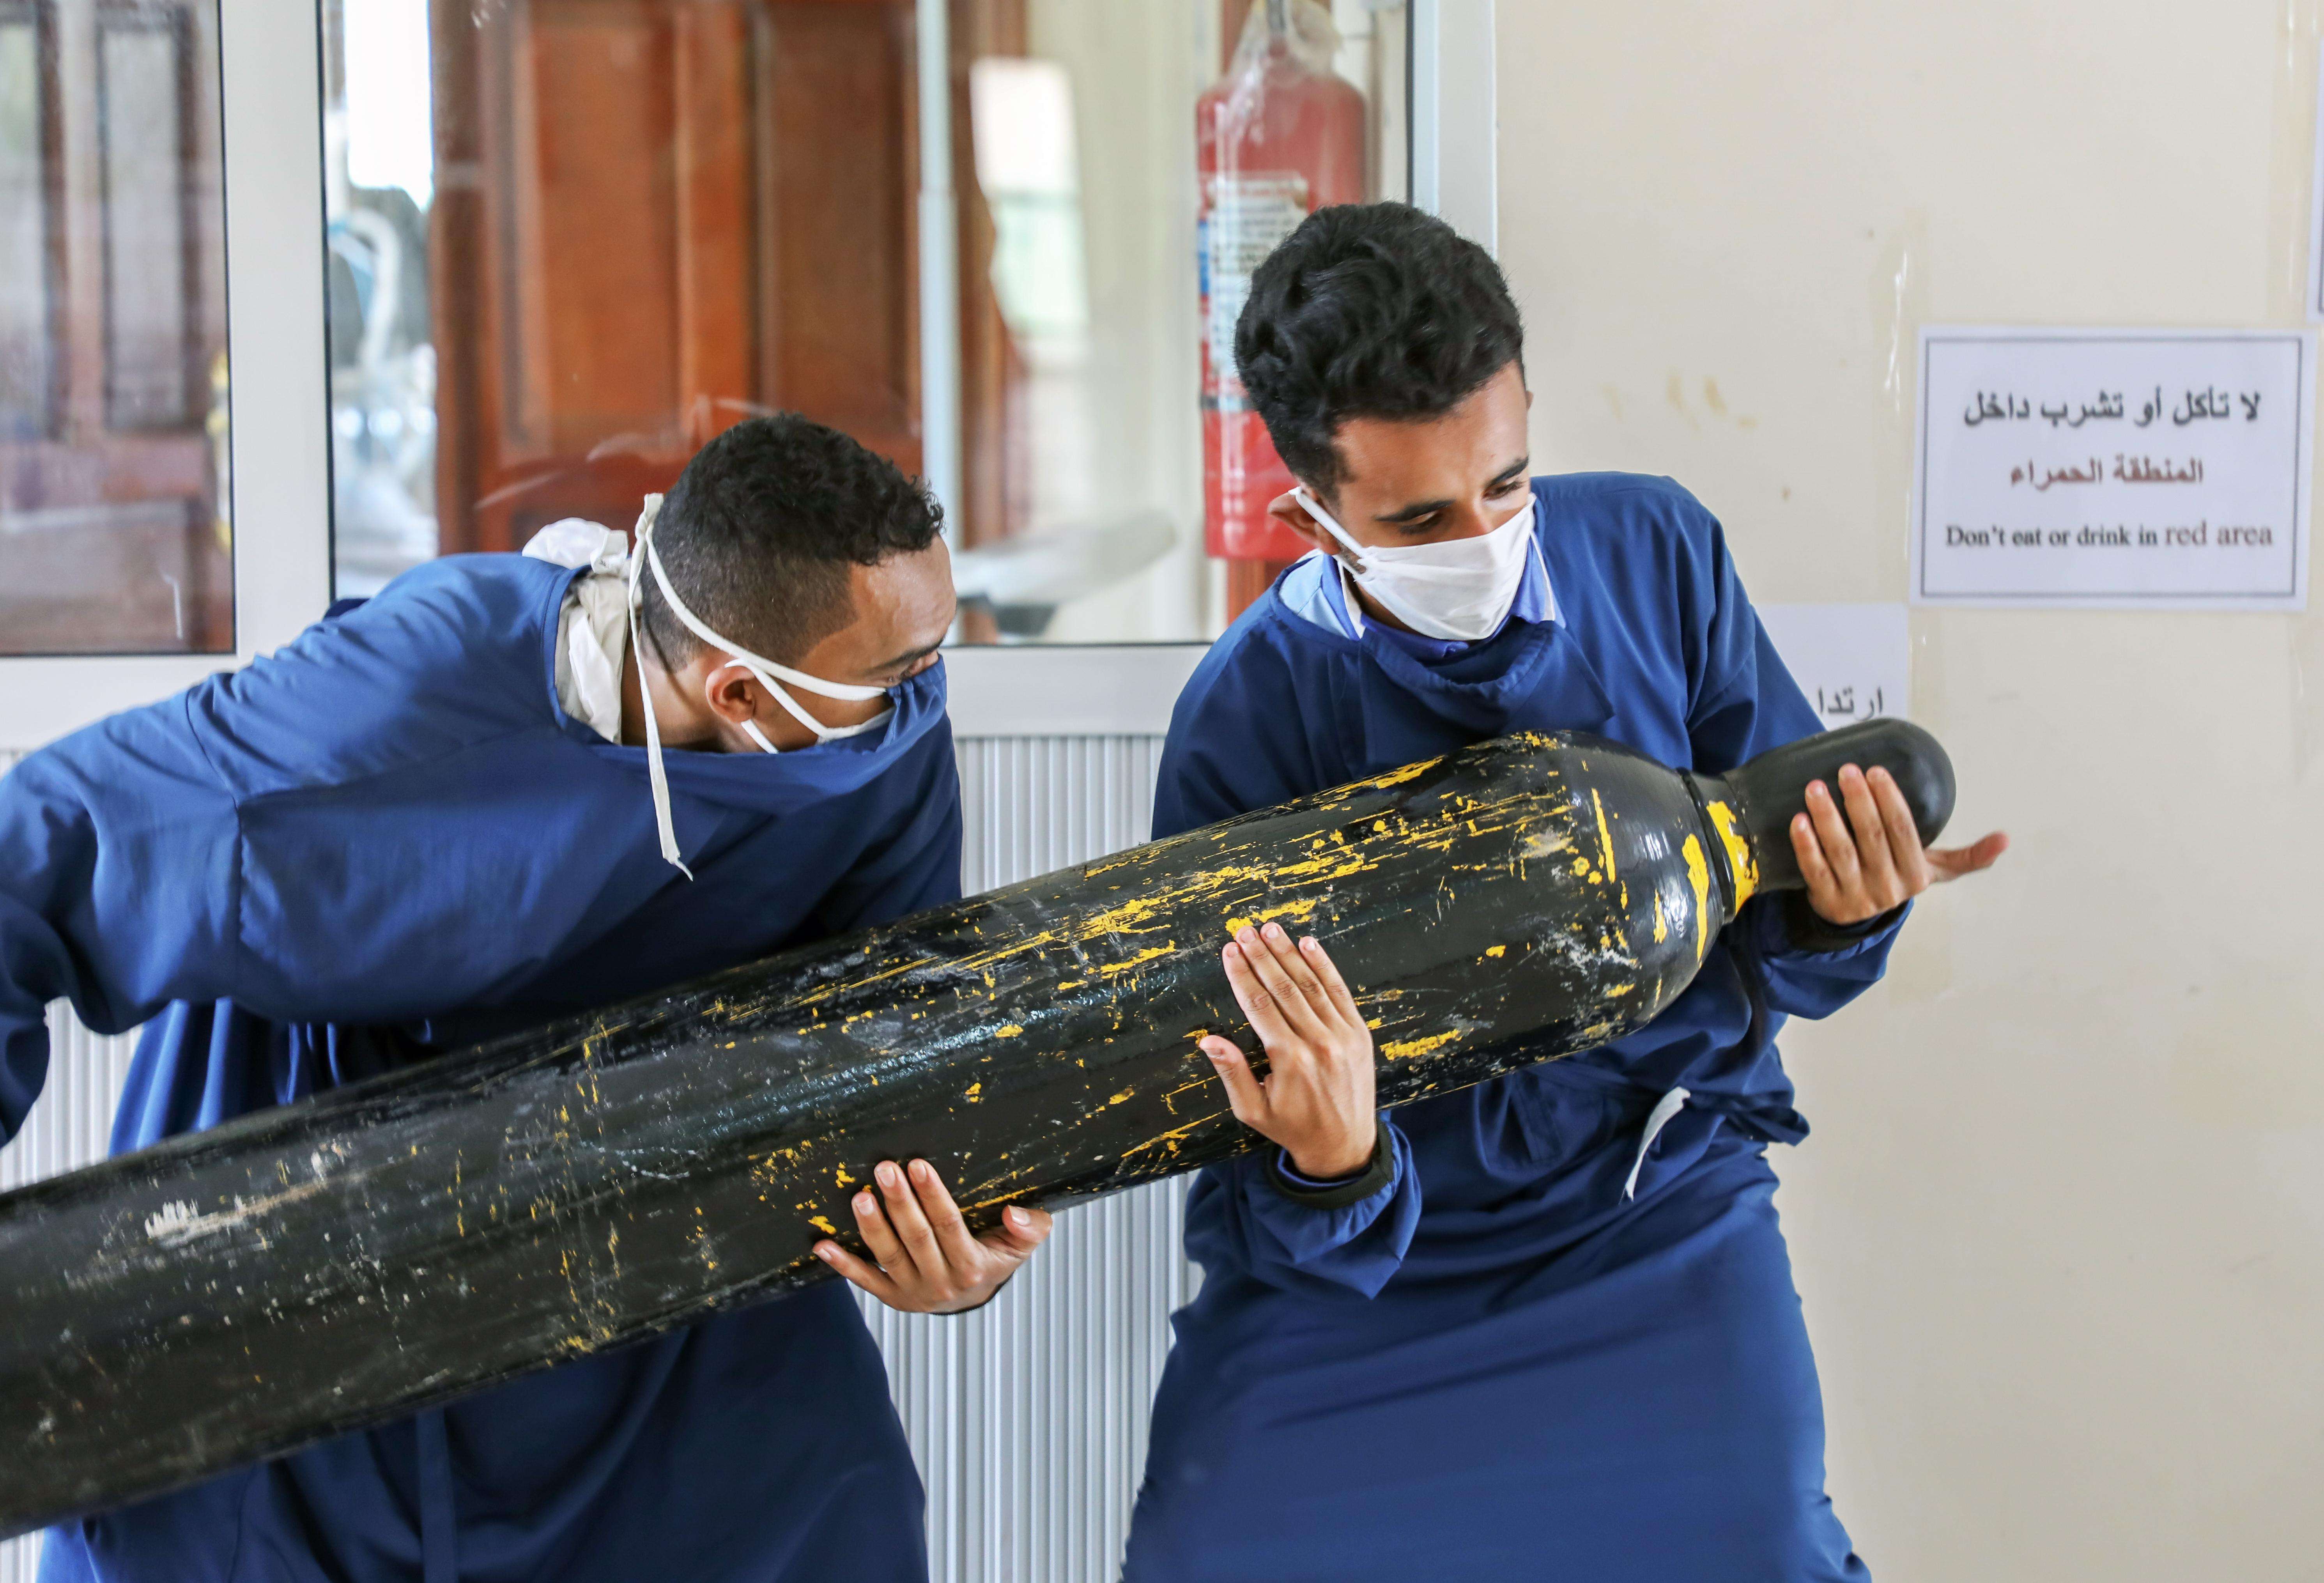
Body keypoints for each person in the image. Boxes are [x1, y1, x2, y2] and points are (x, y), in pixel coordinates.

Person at [0, 414, 1051, 1583]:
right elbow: (28, 852)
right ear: (743, 692)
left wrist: (952, 1250)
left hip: (671, 1251)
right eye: (900, 670)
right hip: (326, 1249)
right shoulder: (375, 709)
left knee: (834, 1514)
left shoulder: (879, 738)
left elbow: (905, 1029)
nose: (927, 689)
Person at [1121, 204, 2007, 1582]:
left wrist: (1851, 905)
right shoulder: (1244, 718)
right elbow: (1247, 1152)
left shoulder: (1660, 556)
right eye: (1416, 518)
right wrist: (1332, 1155)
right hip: (1368, 1276)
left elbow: (1789, 947)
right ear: (1308, 511)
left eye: (1507, 483)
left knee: (1767, 1547)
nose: (1478, 536)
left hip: (1655, 1211)